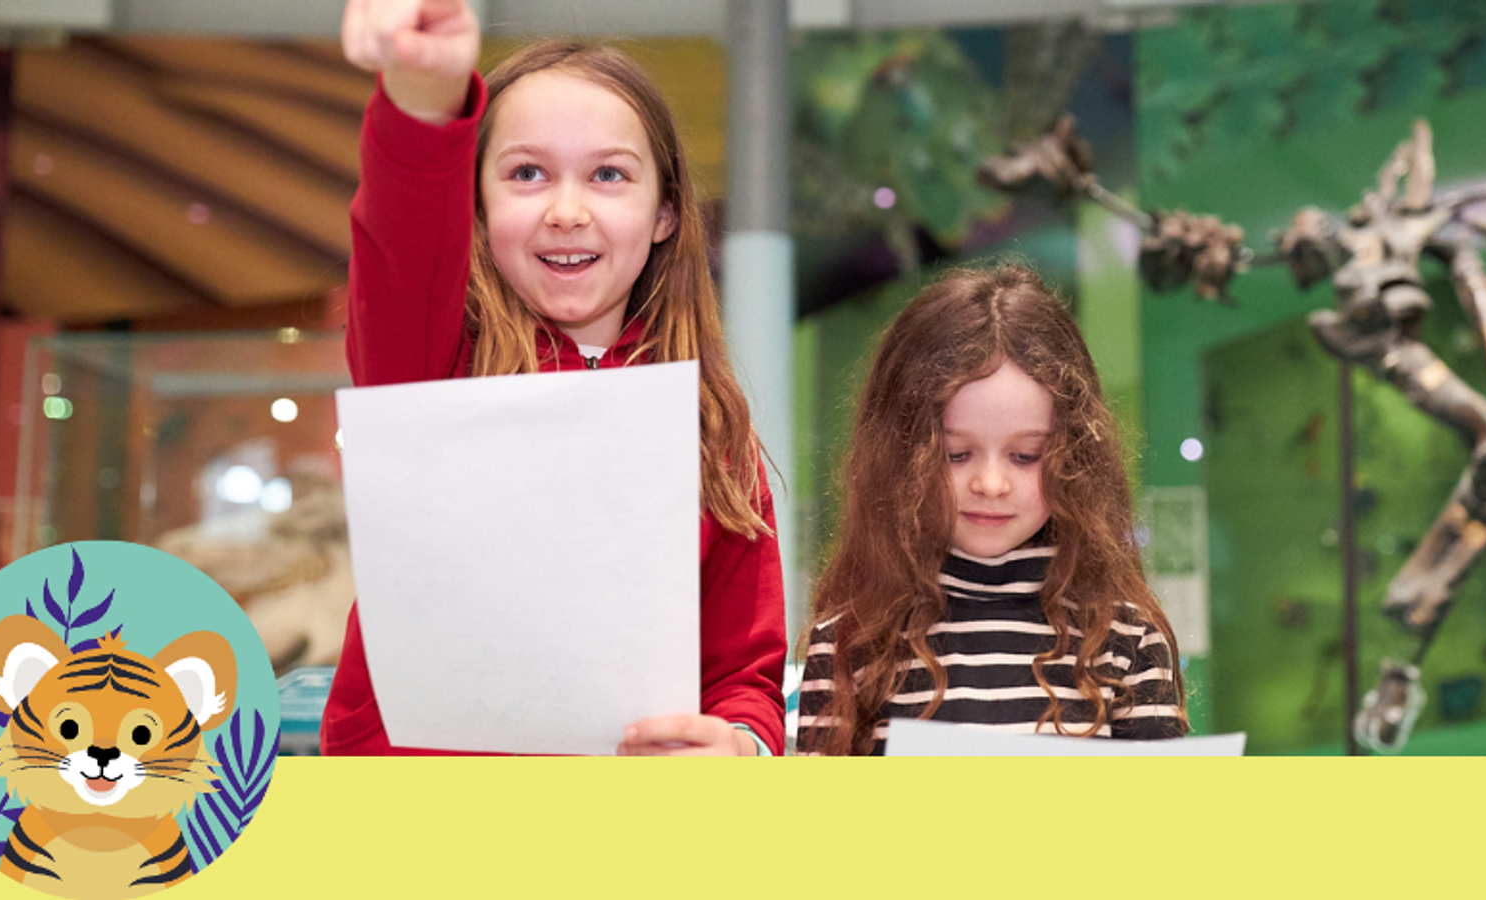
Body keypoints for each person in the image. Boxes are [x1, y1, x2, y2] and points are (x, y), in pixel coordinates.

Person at [324, 0, 784, 756]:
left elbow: (742, 672)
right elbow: (402, 235)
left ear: (665, 211)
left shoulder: (710, 432)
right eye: (527, 173)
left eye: (608, 175)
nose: (567, 211)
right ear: (474, 205)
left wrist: (739, 745)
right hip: (417, 835)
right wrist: (422, 99)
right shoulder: (427, 367)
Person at [795, 265, 1186, 755]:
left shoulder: (1126, 639)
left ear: (1075, 458)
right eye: (955, 454)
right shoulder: (851, 643)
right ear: (898, 457)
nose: (991, 484)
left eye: (1026, 456)